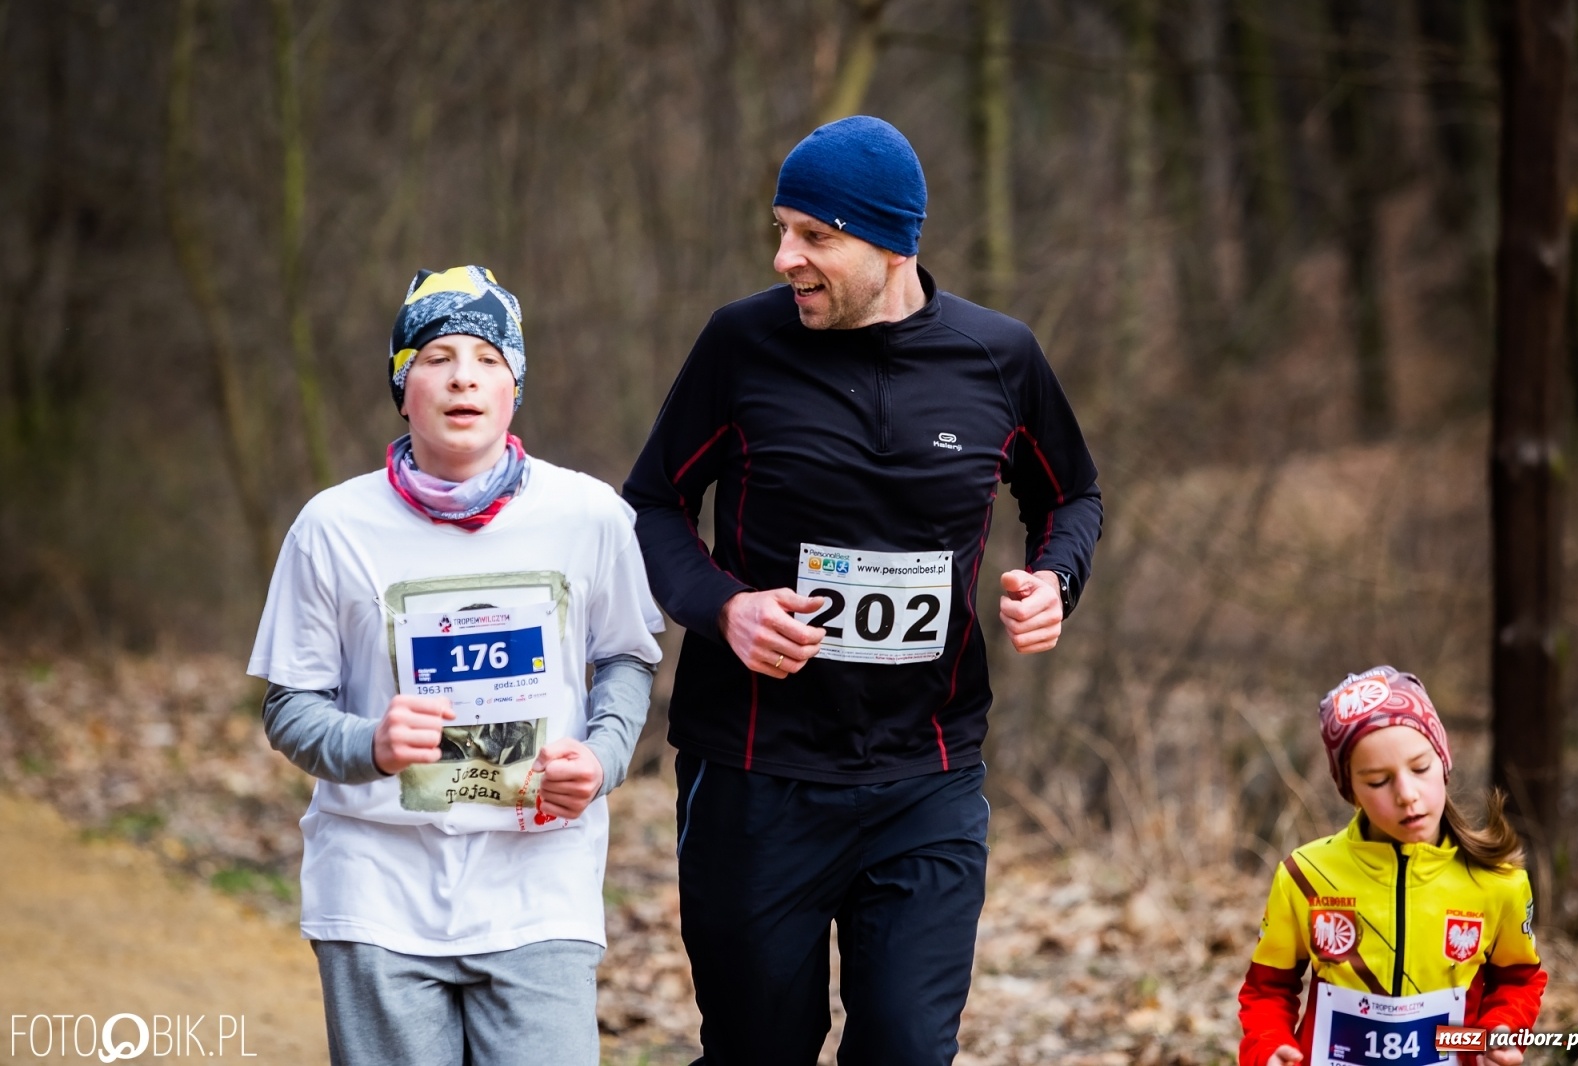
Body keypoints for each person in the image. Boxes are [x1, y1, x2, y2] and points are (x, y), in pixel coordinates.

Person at [622, 116, 1102, 1065]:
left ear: (894, 244)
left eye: (815, 236)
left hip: (926, 778)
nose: (785, 256)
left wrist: (1055, 580)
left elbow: (1072, 495)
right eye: (781, 228)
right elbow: (653, 507)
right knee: (760, 1050)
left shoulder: (999, 357)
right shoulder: (742, 344)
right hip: (756, 777)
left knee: (906, 1050)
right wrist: (726, 608)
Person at [248, 265, 663, 1066]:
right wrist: (370, 742)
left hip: (539, 882)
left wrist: (603, 758)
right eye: (437, 356)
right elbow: (290, 705)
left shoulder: (590, 516)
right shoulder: (331, 527)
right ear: (403, 387)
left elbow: (626, 658)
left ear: (515, 388)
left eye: (488, 357)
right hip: (376, 889)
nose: (463, 376)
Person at [1238, 666, 1547, 1066]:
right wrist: (1267, 1048)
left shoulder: (1497, 882)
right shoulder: (1304, 876)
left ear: (1443, 760)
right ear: (1350, 789)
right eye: (1378, 781)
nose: (1406, 794)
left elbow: (1518, 981)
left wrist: (1502, 1031)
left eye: (1420, 768)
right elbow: (1267, 990)